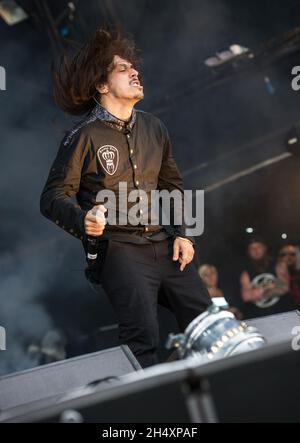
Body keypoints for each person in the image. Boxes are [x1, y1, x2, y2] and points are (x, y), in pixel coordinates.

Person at [40, 27, 211, 368]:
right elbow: (52, 197)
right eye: (122, 68)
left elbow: (173, 186)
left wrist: (183, 234)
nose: (135, 72)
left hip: (164, 243)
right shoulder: (83, 137)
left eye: (134, 66)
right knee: (143, 336)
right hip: (119, 250)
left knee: (206, 321)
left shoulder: (154, 128)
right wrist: (83, 220)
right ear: (101, 86)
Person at [239, 237, 294, 318]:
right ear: (248, 252)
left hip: (283, 312)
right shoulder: (246, 272)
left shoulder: (278, 265)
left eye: (258, 247)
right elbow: (246, 297)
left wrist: (256, 294)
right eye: (252, 248)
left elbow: (283, 288)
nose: (256, 250)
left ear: (264, 248)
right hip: (259, 316)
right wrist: (267, 287)